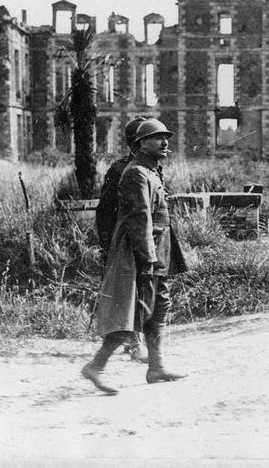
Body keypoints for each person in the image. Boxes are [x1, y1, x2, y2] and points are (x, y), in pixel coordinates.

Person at [82, 118, 188, 394]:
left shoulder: (151, 170)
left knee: (160, 307)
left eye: (166, 137)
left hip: (158, 248)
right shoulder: (136, 173)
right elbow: (139, 219)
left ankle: (156, 367)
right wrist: (148, 258)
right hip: (140, 252)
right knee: (136, 311)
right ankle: (96, 366)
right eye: (157, 138)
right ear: (141, 143)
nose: (164, 142)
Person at [95, 115, 148, 363]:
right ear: (134, 142)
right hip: (125, 241)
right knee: (129, 292)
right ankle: (134, 342)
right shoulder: (119, 170)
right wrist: (108, 245)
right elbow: (105, 211)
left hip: (146, 239)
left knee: (146, 291)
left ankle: (139, 342)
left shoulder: (152, 167)